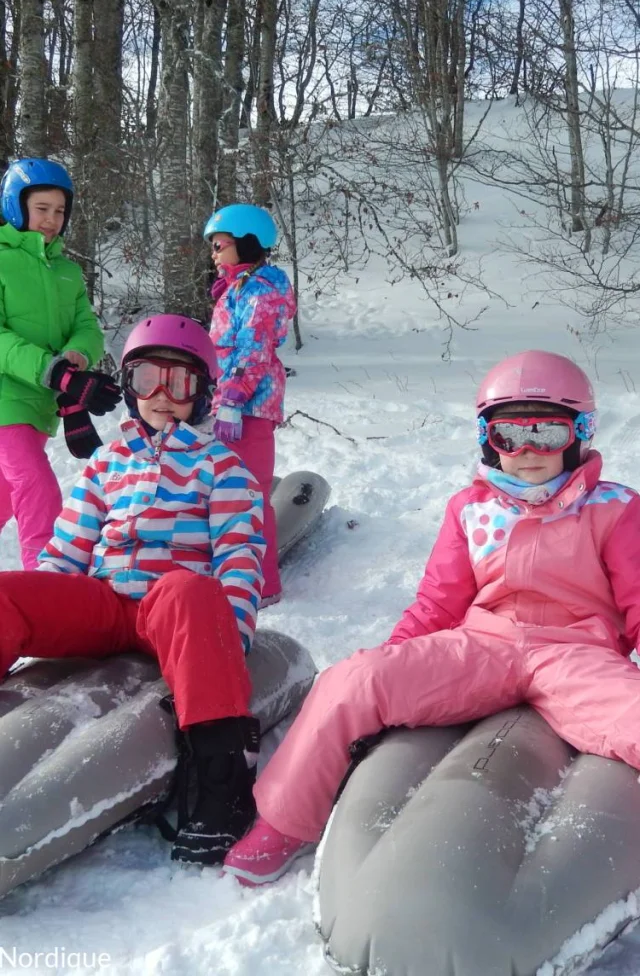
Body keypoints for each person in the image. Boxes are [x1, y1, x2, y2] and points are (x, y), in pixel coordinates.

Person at [224, 349, 640, 886]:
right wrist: (393, 658)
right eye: (509, 436)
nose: (529, 450)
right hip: (484, 646)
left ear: (580, 433)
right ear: (487, 439)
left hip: (578, 653)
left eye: (549, 433)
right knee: (353, 679)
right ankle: (285, 822)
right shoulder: (471, 508)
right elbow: (439, 602)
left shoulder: (614, 507)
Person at [0, 313, 266, 865]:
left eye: (181, 382)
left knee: (187, 589)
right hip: (107, 603)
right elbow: (67, 550)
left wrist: (228, 635)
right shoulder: (106, 464)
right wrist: (43, 604)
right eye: (147, 380)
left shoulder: (223, 468)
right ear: (129, 387)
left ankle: (221, 781)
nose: (162, 396)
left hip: (175, 612)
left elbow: (239, 559)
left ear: (203, 393)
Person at [0, 157, 120, 569]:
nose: (52, 219)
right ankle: (43, 581)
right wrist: (53, 370)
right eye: (41, 209)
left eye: (59, 211)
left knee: (4, 491)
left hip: (41, 402)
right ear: (16, 206)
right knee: (36, 486)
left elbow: (88, 326)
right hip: (5, 398)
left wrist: (77, 356)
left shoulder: (67, 271)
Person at [204, 203, 296, 608]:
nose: (215, 253)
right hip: (230, 401)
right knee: (227, 489)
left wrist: (233, 398)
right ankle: (228, 568)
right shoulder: (238, 286)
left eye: (220, 245)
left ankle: (263, 583)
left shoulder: (262, 288)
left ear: (246, 243)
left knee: (252, 493)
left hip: (250, 406)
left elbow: (254, 347)